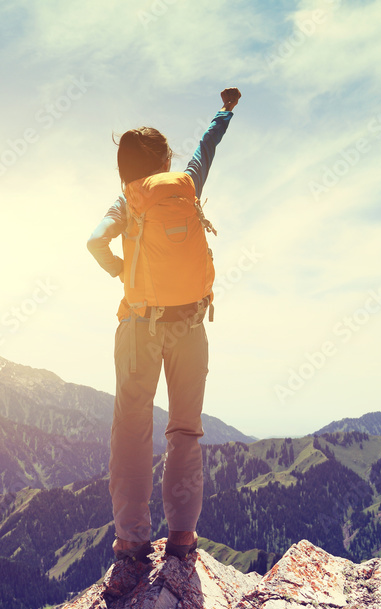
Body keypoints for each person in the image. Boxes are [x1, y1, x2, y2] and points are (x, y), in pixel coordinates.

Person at [87, 88, 240, 568]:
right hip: (191, 325)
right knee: (185, 429)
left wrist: (121, 271)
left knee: (131, 429)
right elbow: (205, 148)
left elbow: (93, 243)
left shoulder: (127, 201)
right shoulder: (187, 183)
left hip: (139, 325)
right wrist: (225, 111)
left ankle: (131, 542)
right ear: (165, 160)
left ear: (124, 166)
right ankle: (182, 537)